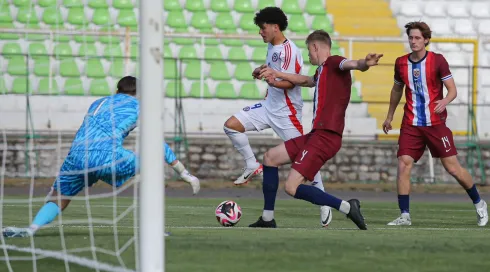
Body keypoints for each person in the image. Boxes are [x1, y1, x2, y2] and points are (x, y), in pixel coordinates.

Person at [2, 76, 200, 238]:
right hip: (107, 156)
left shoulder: (97, 103)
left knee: (59, 197)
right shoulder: (140, 107)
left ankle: (31, 229)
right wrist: (184, 173)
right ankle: (154, 230)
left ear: (117, 91)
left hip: (76, 155)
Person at [251, 30, 383, 229]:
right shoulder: (322, 71)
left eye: (309, 51)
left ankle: (347, 207)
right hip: (316, 135)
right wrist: (275, 74)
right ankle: (267, 219)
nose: (308, 56)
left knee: (291, 187)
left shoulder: (333, 62)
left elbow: (352, 64)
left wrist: (364, 63)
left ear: (315, 47)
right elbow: (305, 80)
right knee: (270, 157)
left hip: (326, 136)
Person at [223, 7, 333, 227]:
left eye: (263, 28)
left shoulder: (289, 50)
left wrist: (272, 80)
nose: (260, 32)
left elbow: (291, 82)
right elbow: (274, 73)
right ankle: (251, 164)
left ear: (275, 27)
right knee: (231, 126)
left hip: (286, 113)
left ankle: (325, 203)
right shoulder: (272, 48)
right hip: (268, 107)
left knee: (305, 159)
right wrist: (262, 72)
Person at [382, 21, 488, 226]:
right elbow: (396, 90)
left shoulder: (438, 61)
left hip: (435, 124)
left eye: (417, 38)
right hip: (411, 124)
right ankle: (405, 215)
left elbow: (452, 90)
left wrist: (445, 101)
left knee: (453, 169)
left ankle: (479, 203)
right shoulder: (401, 63)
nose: (413, 41)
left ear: (426, 40)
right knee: (403, 164)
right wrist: (389, 116)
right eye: (411, 37)